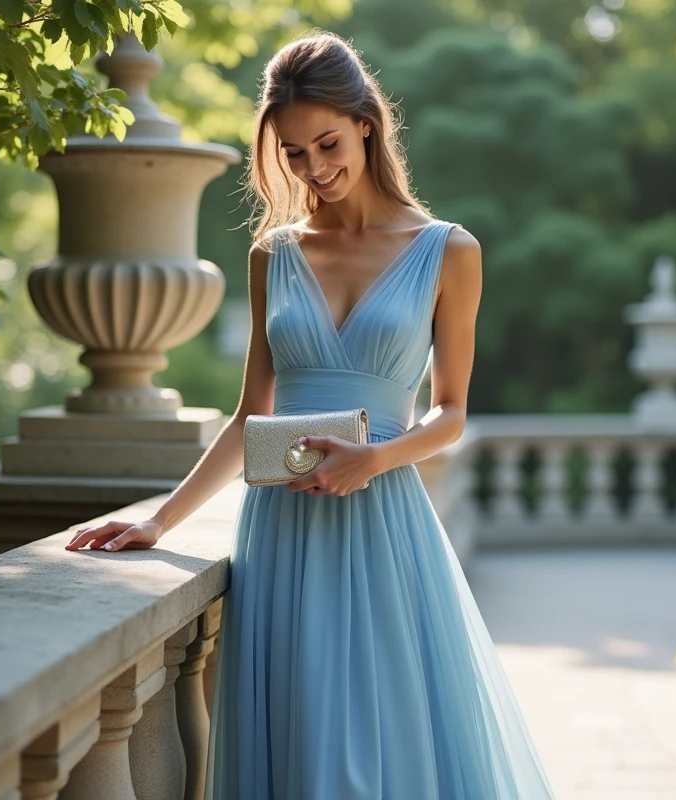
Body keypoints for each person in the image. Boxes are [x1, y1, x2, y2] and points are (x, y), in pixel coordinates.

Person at [65, 30, 555, 800]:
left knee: (386, 750)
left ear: (367, 123)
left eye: (326, 142)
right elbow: (246, 418)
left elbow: (452, 413)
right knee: (298, 750)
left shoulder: (449, 250)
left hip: (386, 524)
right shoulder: (272, 254)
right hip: (284, 534)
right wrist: (162, 520)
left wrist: (374, 459)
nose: (314, 168)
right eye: (293, 153)